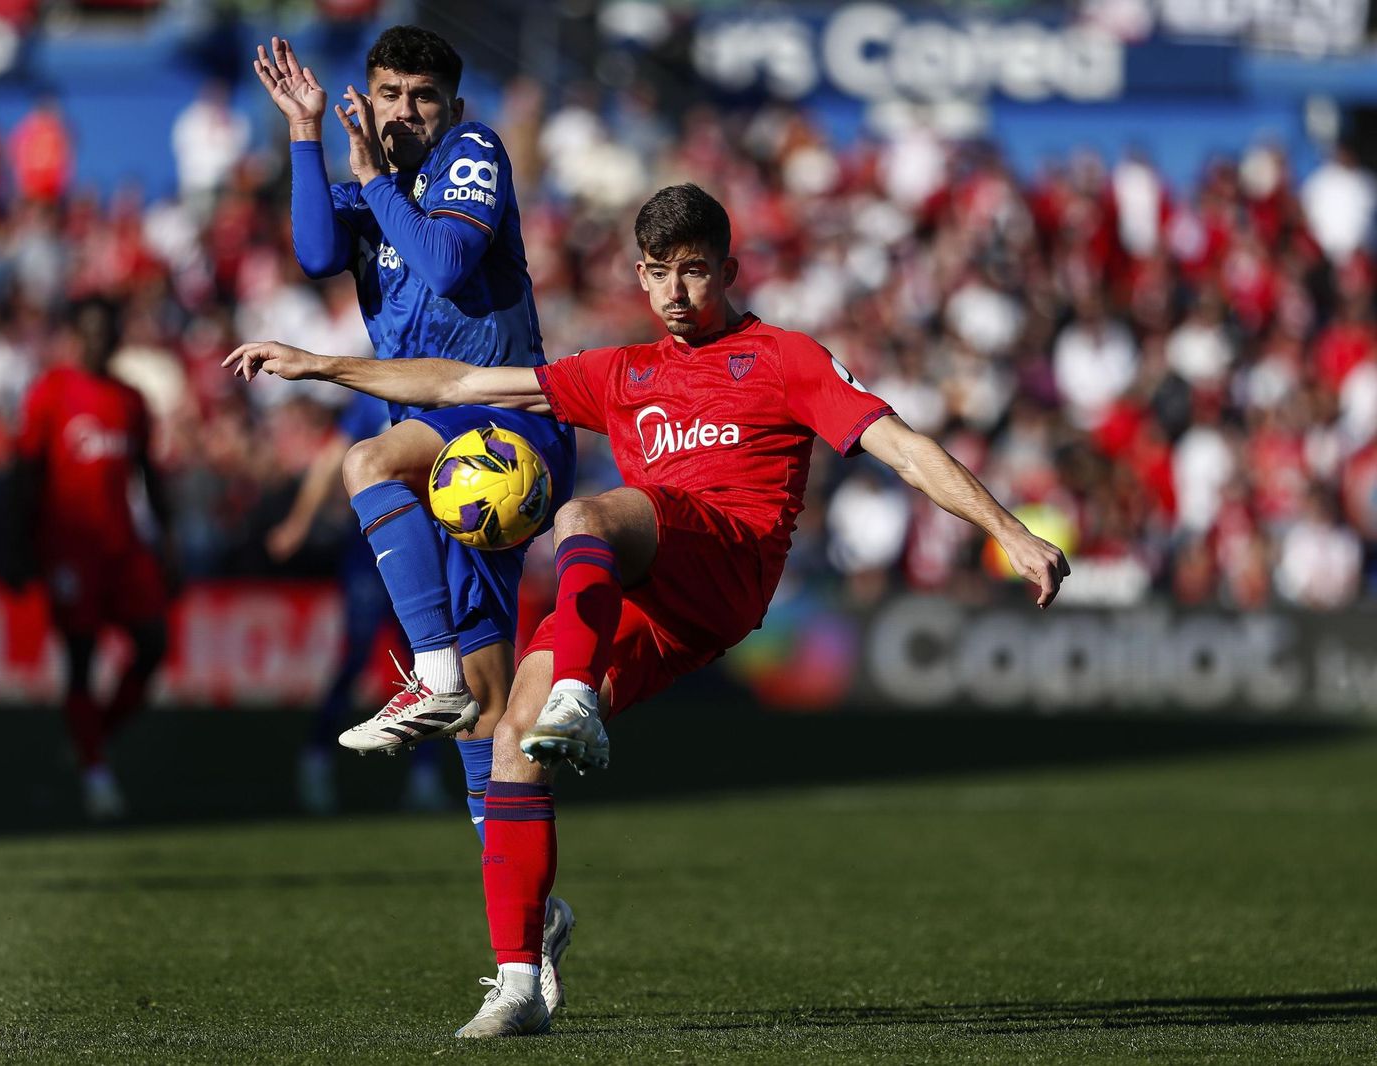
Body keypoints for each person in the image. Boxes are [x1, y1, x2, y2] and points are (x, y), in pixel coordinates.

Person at [224, 183, 1070, 1037]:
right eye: (659, 272)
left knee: (584, 516)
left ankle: (577, 699)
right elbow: (458, 383)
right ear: (638, 274)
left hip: (725, 564)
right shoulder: (622, 373)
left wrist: (1010, 531)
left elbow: (903, 447)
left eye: (694, 271)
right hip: (648, 603)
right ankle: (519, 980)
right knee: (513, 738)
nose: (675, 291)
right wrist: (321, 364)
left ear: (728, 272)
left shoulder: (784, 359)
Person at [251, 29, 576, 837]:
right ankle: (524, 905)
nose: (404, 110)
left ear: (452, 107)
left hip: (506, 422)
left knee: (366, 462)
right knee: (488, 705)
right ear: (369, 100)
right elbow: (315, 253)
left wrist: (371, 178)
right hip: (438, 447)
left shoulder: (473, 152)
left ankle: (431, 675)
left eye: (423, 96)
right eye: (390, 94)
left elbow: (444, 264)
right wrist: (305, 130)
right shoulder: (369, 199)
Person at [15, 300, 176, 820]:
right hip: (69, 551)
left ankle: (92, 739)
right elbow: (26, 473)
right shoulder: (49, 392)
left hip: (122, 546)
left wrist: (167, 542)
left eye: (104, 333)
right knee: (81, 658)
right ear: (72, 337)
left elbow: (148, 475)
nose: (95, 342)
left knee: (153, 644)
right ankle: (96, 775)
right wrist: (20, 546)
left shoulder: (130, 400)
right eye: (86, 332)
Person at [265, 392, 447, 816]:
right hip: (371, 553)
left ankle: (425, 778)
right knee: (356, 659)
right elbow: (331, 459)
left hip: (425, 551)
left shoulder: (438, 391)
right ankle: (316, 760)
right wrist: (298, 523)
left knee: (432, 666)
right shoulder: (373, 399)